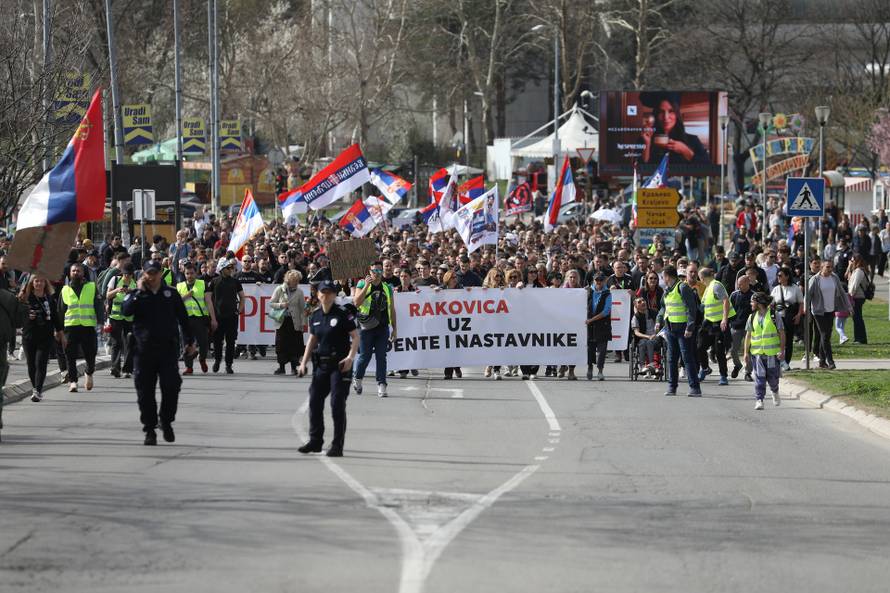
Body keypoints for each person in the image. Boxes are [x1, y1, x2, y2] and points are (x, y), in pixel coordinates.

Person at [121, 260, 196, 445]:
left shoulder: (170, 294)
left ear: (160, 273)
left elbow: (183, 319)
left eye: (155, 273)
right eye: (149, 273)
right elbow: (125, 311)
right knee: (144, 392)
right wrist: (137, 292)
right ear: (144, 273)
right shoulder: (138, 294)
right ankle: (149, 429)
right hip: (143, 351)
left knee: (171, 386)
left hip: (167, 350)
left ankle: (166, 420)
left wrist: (189, 342)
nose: (152, 276)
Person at [297, 280, 359, 457]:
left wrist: (350, 357)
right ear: (318, 295)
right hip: (321, 366)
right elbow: (312, 340)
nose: (326, 295)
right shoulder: (315, 316)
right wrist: (303, 363)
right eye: (323, 292)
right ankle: (315, 441)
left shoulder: (342, 315)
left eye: (330, 292)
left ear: (334, 295)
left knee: (336, 404)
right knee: (315, 401)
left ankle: (337, 445)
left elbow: (355, 337)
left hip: (340, 366)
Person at [352, 261, 397, 397]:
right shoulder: (361, 284)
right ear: (369, 271)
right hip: (366, 327)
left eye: (379, 271)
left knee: (381, 357)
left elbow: (392, 309)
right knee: (365, 356)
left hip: (382, 327)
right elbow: (356, 302)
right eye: (374, 271)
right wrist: (366, 285)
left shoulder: (387, 288)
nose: (376, 274)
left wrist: (395, 328)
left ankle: (382, 384)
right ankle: (358, 378)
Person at [657, 265, 702, 396]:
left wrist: (690, 327)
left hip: (683, 329)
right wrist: (659, 320)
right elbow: (663, 307)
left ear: (667, 276)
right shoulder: (667, 290)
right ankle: (672, 387)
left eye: (663, 276)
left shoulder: (682, 288)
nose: (663, 279)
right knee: (671, 359)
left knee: (687, 358)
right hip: (670, 328)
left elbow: (691, 309)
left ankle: (695, 388)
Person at [59, 263, 102, 393]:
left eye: (78, 270)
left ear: (83, 273)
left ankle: (89, 373)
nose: (76, 272)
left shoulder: (91, 287)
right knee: (70, 355)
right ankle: (73, 382)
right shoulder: (65, 290)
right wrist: (58, 329)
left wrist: (101, 321)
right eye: (73, 271)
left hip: (87, 326)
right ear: (70, 273)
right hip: (70, 327)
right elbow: (61, 310)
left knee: (91, 353)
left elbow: (98, 305)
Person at [19, 276, 62, 402]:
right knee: (31, 365)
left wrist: (60, 332)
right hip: (29, 335)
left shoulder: (49, 297)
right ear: (32, 283)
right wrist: (27, 316)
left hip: (46, 336)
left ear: (45, 283)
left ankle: (38, 390)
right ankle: (34, 387)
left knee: (41, 363)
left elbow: (55, 316)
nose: (39, 283)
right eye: (36, 281)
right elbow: (17, 316)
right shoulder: (25, 298)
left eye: (42, 281)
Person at [639, 91, 711, 164]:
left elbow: (708, 167)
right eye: (661, 112)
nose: (666, 117)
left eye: (671, 111)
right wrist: (647, 144)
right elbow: (638, 169)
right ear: (656, 115)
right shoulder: (646, 139)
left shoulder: (693, 140)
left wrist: (685, 150)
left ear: (677, 114)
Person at [805, 260, 850, 370]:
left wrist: (849, 306)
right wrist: (806, 309)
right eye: (828, 267)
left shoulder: (834, 278)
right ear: (821, 268)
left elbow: (842, 292)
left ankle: (821, 361)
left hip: (831, 310)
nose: (830, 269)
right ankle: (830, 361)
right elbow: (808, 295)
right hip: (818, 311)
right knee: (824, 335)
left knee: (825, 336)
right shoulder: (815, 280)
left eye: (831, 267)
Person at [744, 292, 785, 410]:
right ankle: (759, 400)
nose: (751, 303)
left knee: (773, 379)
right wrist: (746, 353)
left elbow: (782, 333)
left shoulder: (774, 315)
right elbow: (748, 335)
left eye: (752, 301)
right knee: (759, 378)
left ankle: (775, 391)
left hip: (772, 354)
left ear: (759, 303)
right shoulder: (752, 317)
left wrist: (782, 350)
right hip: (757, 354)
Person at [696, 267, 734, 386]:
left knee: (719, 351)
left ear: (702, 278)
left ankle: (723, 376)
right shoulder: (708, 288)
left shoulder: (716, 285)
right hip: (708, 323)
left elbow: (725, 301)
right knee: (700, 346)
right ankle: (705, 368)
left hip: (719, 323)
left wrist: (724, 319)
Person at [178, 263, 217, 374]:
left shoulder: (203, 284)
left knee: (203, 343)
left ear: (196, 273)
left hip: (200, 318)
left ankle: (202, 359)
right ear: (184, 274)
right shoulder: (179, 286)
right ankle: (189, 367)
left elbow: (209, 302)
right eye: (187, 273)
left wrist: (213, 319)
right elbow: (176, 303)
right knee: (186, 344)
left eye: (192, 273)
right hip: (185, 319)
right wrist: (186, 296)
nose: (189, 275)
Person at [210, 258, 244, 374]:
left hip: (231, 316)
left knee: (230, 342)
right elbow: (208, 298)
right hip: (218, 316)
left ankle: (229, 364)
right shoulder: (214, 281)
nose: (231, 270)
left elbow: (242, 296)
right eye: (228, 268)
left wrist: (239, 310)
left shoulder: (235, 282)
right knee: (217, 341)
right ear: (222, 269)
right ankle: (217, 360)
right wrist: (212, 315)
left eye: (232, 268)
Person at [269, 270, 306, 375]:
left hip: (294, 322)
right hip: (282, 321)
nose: (296, 282)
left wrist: (303, 324)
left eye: (298, 280)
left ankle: (294, 368)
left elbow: (303, 309)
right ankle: (281, 368)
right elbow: (271, 303)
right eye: (295, 280)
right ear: (289, 280)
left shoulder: (300, 292)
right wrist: (281, 305)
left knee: (295, 345)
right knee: (281, 345)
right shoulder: (279, 289)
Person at [105, 263, 137, 379]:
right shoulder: (115, 280)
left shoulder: (135, 283)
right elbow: (108, 295)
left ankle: (127, 369)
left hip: (129, 318)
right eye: (125, 274)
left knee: (129, 343)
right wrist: (118, 290)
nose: (127, 276)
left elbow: (139, 297)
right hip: (116, 317)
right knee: (116, 343)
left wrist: (132, 292)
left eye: (129, 274)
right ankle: (115, 368)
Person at [770, 266, 803, 370]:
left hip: (790, 317)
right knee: (778, 340)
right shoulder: (776, 289)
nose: (778, 277)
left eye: (780, 275)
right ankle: (779, 360)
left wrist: (798, 315)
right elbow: (771, 304)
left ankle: (786, 362)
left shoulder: (795, 288)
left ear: (787, 276)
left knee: (788, 340)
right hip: (778, 318)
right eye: (778, 276)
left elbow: (801, 303)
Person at [586, 273, 612, 381]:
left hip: (602, 325)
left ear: (604, 281)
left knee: (602, 350)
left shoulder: (608, 294)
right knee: (590, 348)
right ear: (593, 280)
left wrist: (591, 320)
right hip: (590, 326)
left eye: (601, 280)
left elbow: (606, 311)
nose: (599, 282)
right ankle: (590, 368)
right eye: (597, 280)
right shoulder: (588, 292)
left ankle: (600, 370)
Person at [847, 253, 869, 345]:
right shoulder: (855, 270)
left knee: (857, 318)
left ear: (856, 261)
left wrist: (850, 296)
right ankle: (859, 338)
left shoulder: (859, 271)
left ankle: (860, 339)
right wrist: (849, 268)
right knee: (856, 318)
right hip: (856, 297)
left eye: (852, 261)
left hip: (857, 297)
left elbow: (854, 285)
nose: (851, 262)